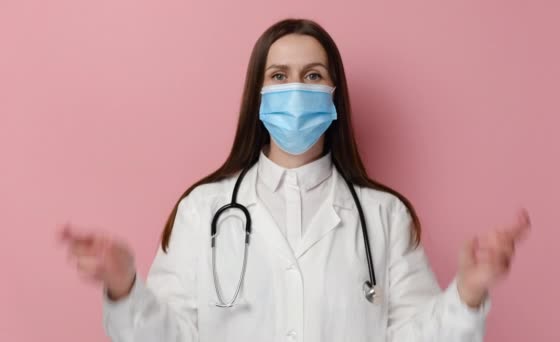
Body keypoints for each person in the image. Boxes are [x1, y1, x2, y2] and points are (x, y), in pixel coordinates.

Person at [59, 18, 531, 342]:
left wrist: (468, 291)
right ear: (259, 95)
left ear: (334, 94)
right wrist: (124, 287)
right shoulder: (203, 210)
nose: (296, 89)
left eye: (312, 75)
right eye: (280, 76)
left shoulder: (384, 216)